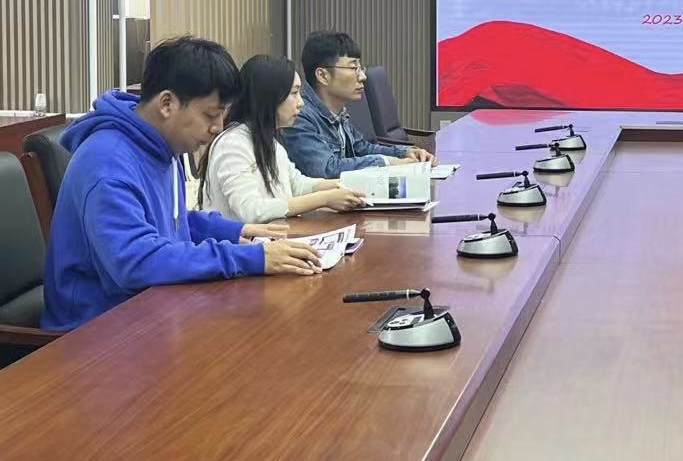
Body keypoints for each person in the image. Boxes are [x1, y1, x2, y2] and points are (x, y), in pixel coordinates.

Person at [42, 37, 323, 331]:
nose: (217, 128)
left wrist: (232, 230)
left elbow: (168, 219)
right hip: (96, 330)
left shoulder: (161, 144)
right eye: (210, 115)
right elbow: (135, 262)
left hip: (150, 307)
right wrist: (250, 257)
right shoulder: (107, 163)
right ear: (167, 103)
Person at [199, 55, 367, 223]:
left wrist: (351, 184)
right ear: (269, 96)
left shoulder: (270, 142)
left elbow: (297, 184)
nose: (301, 103)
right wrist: (325, 199)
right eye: (294, 93)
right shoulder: (232, 144)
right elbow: (252, 210)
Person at [281, 30, 433, 178]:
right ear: (323, 75)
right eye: (353, 68)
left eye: (360, 68)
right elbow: (326, 169)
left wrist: (404, 153)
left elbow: (361, 148)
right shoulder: (299, 116)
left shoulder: (337, 112)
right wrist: (387, 162)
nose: (363, 76)